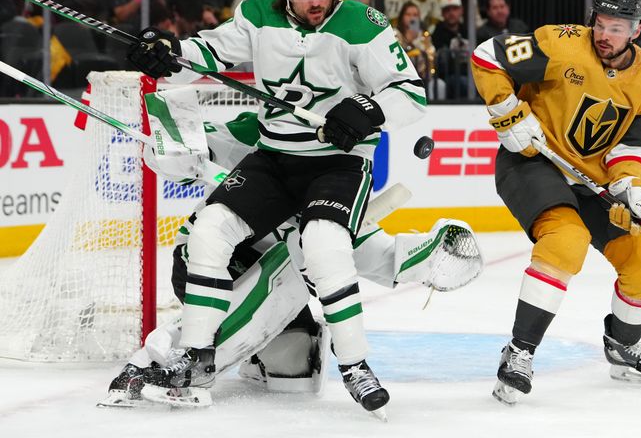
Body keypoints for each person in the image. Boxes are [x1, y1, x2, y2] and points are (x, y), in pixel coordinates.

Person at [125, 0, 427, 417]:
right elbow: (211, 50)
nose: (315, 0)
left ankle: (356, 364)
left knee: (324, 242)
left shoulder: (362, 26)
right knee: (209, 230)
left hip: (337, 162)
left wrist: (369, 109)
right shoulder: (257, 13)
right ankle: (198, 355)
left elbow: (410, 94)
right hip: (274, 156)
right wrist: (171, 50)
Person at [99, 110, 483, 408]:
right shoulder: (263, 131)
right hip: (213, 263)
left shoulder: (342, 167)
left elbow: (366, 252)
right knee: (287, 267)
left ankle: (253, 354)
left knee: (295, 369)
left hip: (280, 264)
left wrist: (423, 260)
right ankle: (160, 364)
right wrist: (168, 150)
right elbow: (178, 147)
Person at [471, 0, 641, 405]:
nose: (605, 35)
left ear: (637, 30)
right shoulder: (561, 44)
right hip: (532, 161)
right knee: (567, 241)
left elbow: (635, 149)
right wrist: (507, 111)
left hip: (593, 183)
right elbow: (487, 56)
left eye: (617, 28)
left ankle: (621, 347)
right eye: (601, 24)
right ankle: (519, 353)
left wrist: (631, 191)